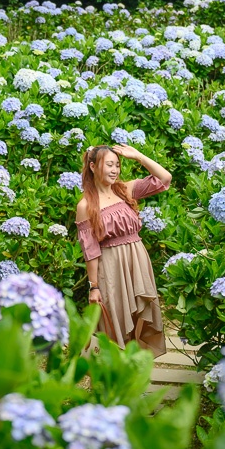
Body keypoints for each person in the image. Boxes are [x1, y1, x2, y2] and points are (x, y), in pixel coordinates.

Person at [75, 144, 172, 357]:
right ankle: (109, 381)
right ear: (92, 166)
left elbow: (164, 179)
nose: (114, 170)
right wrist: (94, 287)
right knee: (116, 322)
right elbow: (90, 251)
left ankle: (134, 377)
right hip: (111, 268)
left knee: (139, 318)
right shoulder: (86, 205)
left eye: (117, 165)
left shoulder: (124, 190)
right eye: (109, 165)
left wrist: (138, 156)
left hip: (137, 262)